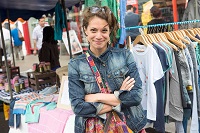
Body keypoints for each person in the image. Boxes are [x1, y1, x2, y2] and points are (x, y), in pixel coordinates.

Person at [68, 6, 146, 133]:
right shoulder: (76, 64)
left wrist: (95, 97)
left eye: (104, 30)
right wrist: (120, 96)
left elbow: (136, 96)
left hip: (128, 125)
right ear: (85, 30)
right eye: (93, 30)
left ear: (110, 31)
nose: (99, 36)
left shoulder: (125, 56)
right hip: (91, 129)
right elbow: (78, 107)